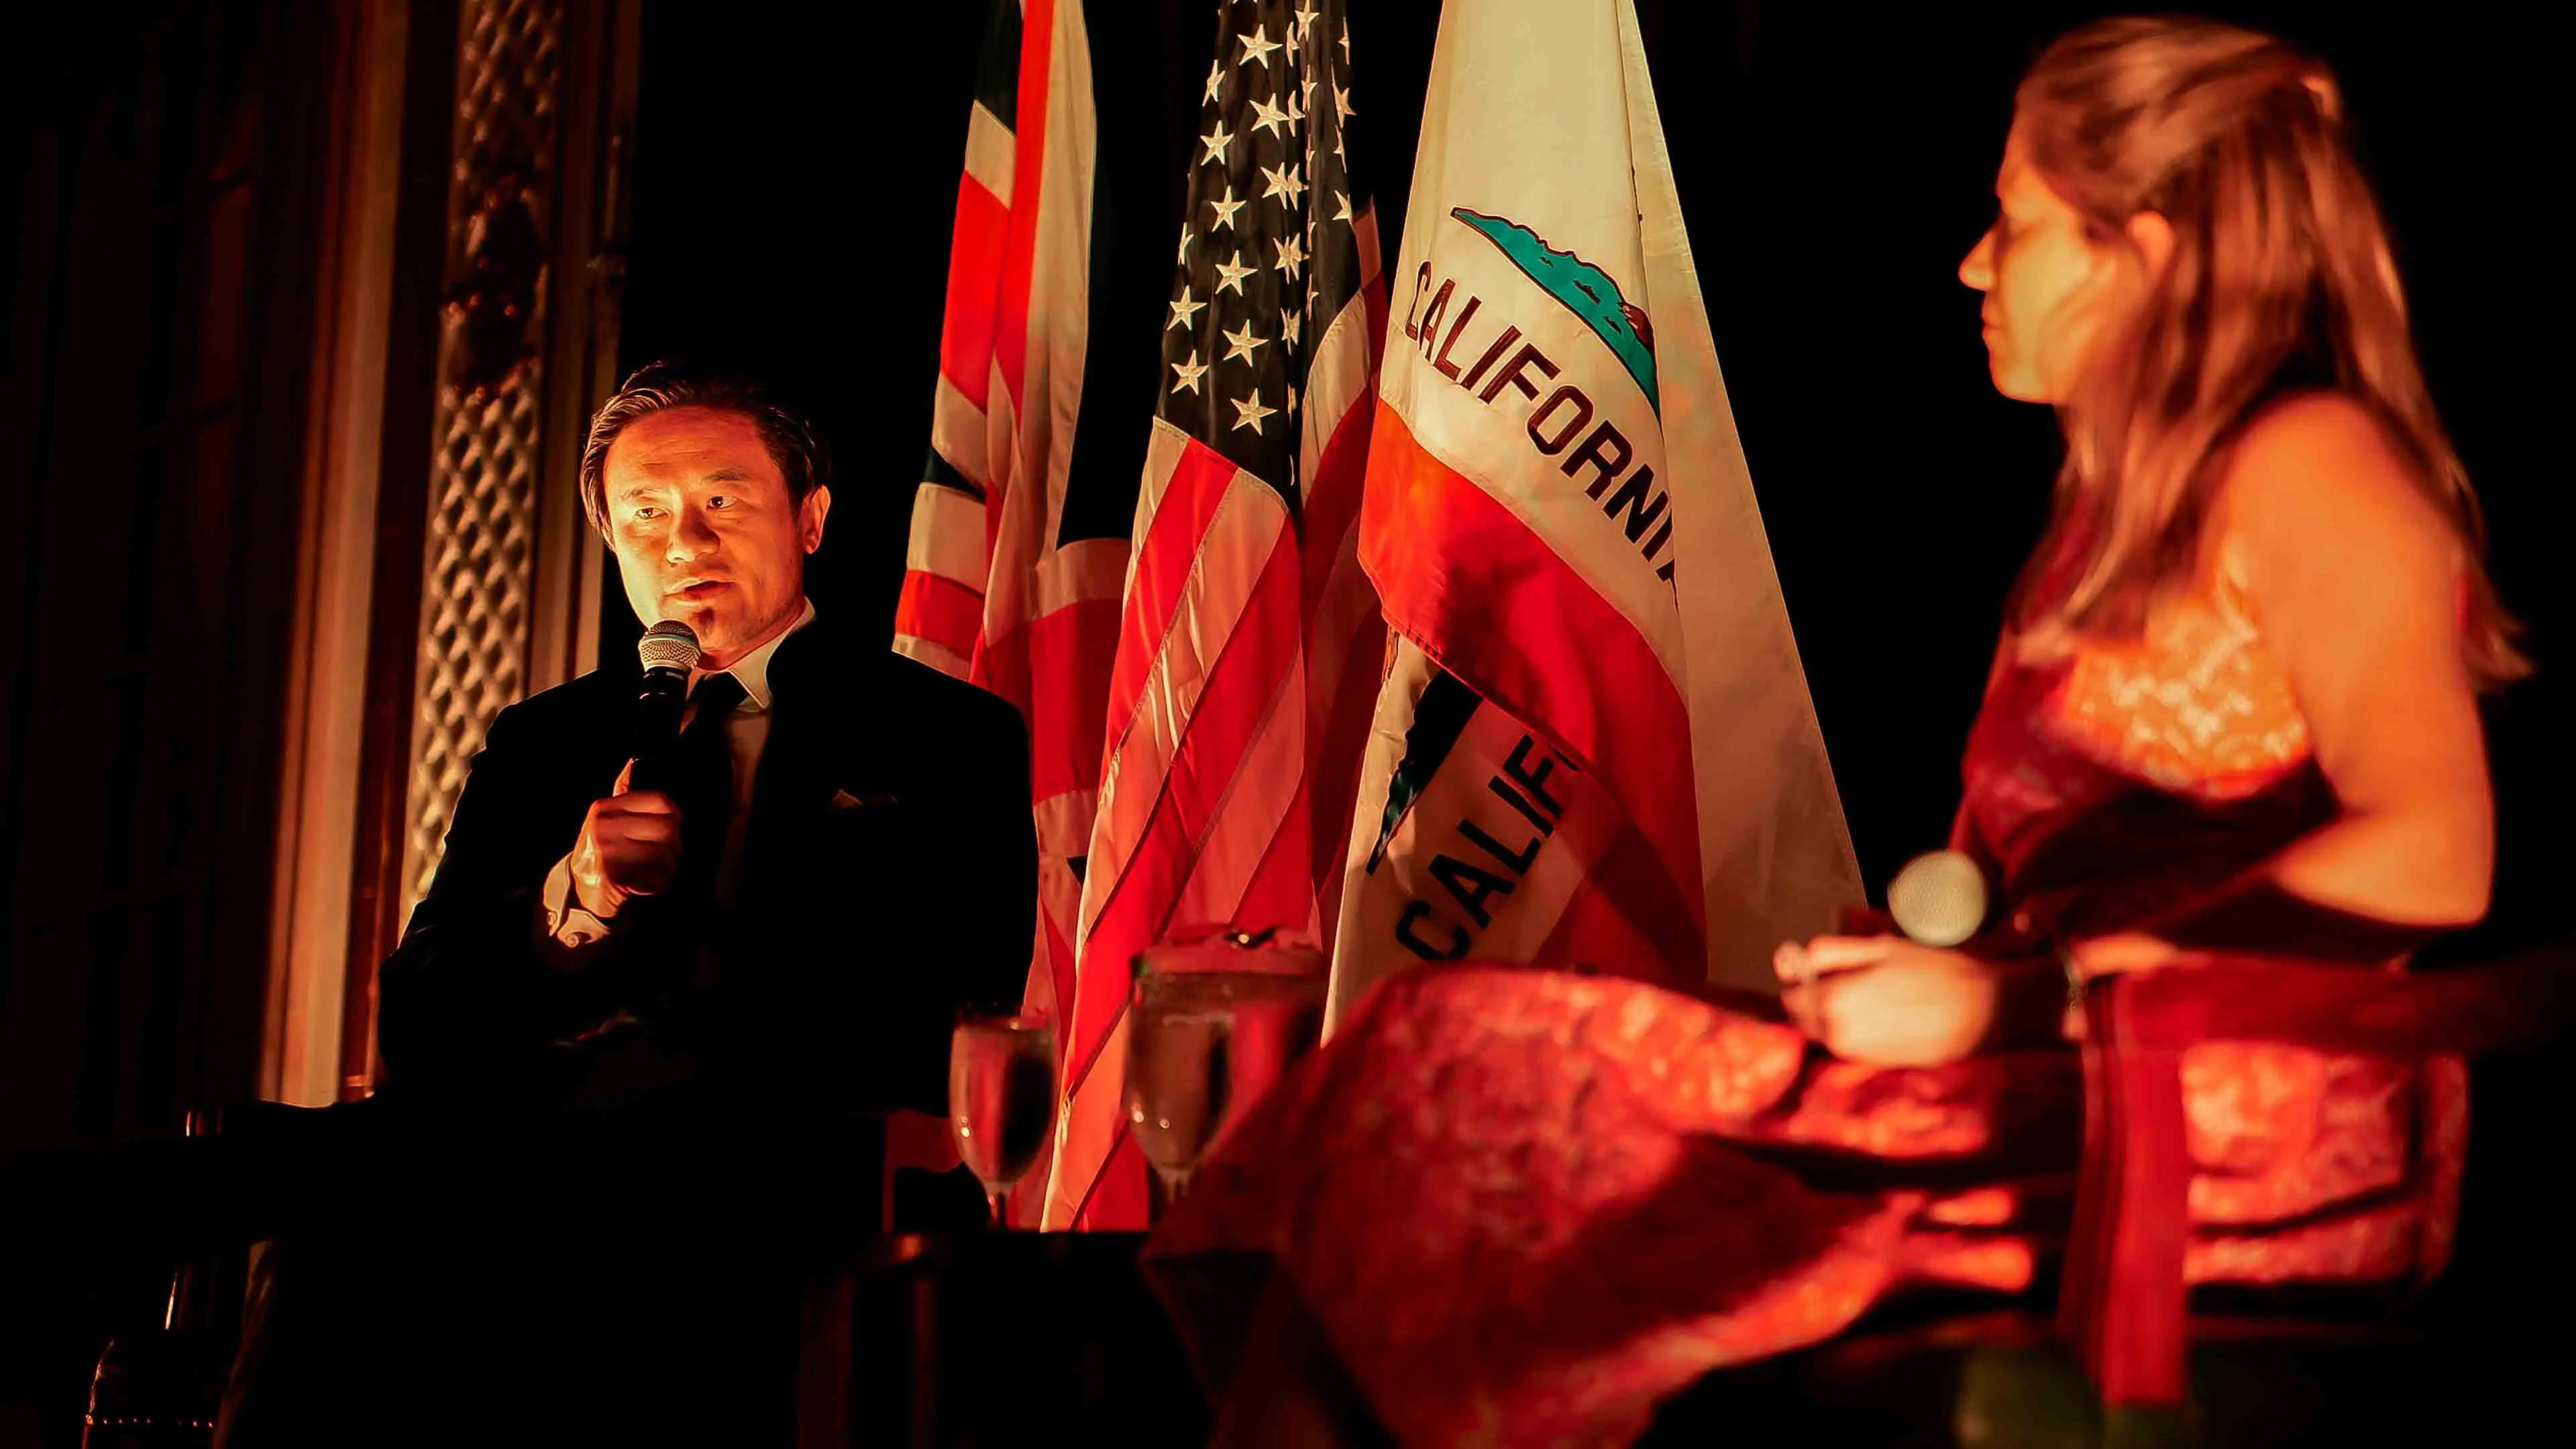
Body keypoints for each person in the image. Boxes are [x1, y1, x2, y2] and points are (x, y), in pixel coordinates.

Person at [1144, 17, 2522, 1445]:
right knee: (1424, 1077)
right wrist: (1927, 972)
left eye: (2015, 220)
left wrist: (2019, 1004)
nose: (1976, 263)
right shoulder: (2107, 523)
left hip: (2214, 1125)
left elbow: (2437, 858)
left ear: (2147, 253)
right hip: (2055, 1072)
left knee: (1467, 1083)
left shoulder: (2311, 463)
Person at [215, 363, 1036, 1445]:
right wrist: (573, 901)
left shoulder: (944, 734)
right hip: (529, 1192)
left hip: (790, 1177)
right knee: (325, 1205)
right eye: (645, 514)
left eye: (722, 501)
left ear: (812, 517)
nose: (683, 542)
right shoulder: (542, 741)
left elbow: (963, 1002)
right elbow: (417, 1021)